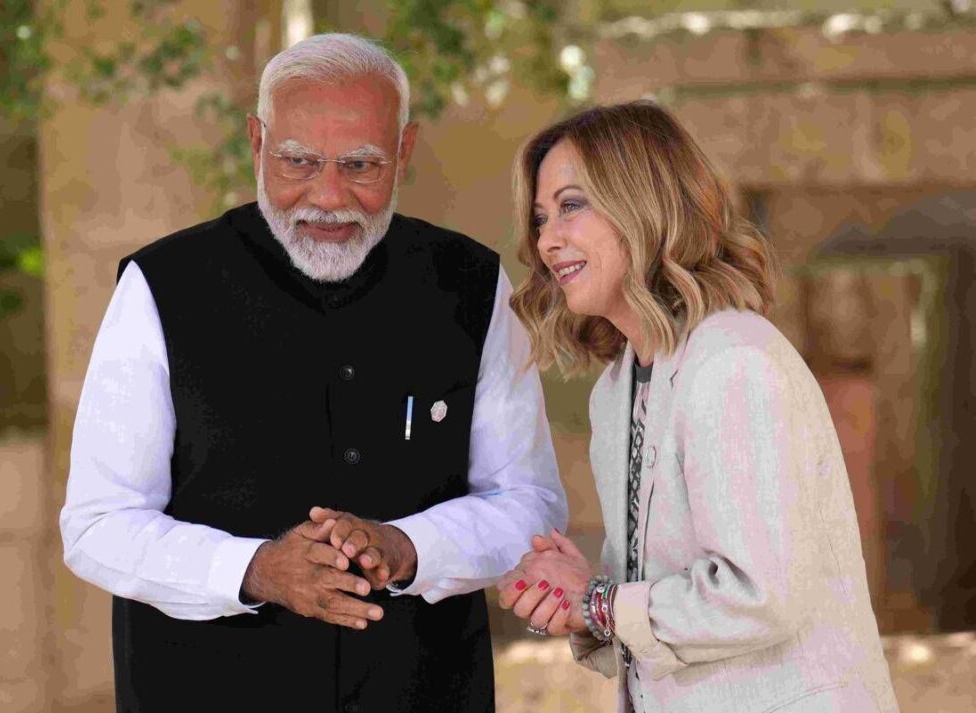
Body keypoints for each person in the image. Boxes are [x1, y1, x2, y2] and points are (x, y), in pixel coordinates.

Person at [59, 33, 567, 712]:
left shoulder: (471, 285)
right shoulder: (162, 286)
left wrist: (408, 546)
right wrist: (256, 570)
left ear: (405, 151)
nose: (328, 196)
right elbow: (97, 524)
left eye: (361, 164)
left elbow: (530, 504)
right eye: (298, 161)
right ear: (257, 143)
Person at [495, 101, 899, 713]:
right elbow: (657, 613)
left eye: (571, 205)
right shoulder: (619, 389)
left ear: (643, 203)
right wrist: (585, 599)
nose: (548, 240)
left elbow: (759, 595)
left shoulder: (734, 361)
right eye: (540, 218)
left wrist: (597, 602)